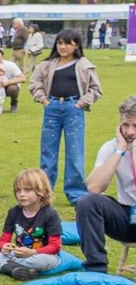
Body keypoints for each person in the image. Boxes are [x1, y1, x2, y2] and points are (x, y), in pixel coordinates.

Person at [29, 28, 102, 204]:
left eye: (67, 43)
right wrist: (44, 100)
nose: (63, 47)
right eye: (60, 43)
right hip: (52, 107)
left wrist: (81, 103)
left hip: (73, 109)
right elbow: (34, 82)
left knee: (75, 152)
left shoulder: (84, 64)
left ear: (76, 45)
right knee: (48, 152)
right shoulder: (48, 64)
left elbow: (96, 89)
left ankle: (76, 194)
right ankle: (44, 192)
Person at [73, 95, 136, 273]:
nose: (130, 132)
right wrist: (120, 151)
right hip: (128, 217)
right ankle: (96, 269)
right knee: (88, 202)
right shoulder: (111, 147)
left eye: (135, 126)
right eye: (126, 125)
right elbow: (93, 187)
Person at [0, 168, 63, 279]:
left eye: (27, 190)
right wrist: (3, 247)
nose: (21, 194)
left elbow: (55, 247)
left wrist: (32, 252)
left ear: (42, 191)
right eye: (18, 190)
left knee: (41, 261)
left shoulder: (50, 215)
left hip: (40, 255)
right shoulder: (14, 212)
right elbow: (4, 239)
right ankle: (18, 269)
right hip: (17, 254)